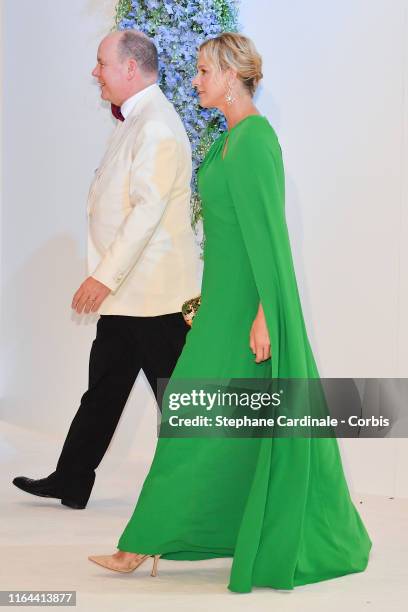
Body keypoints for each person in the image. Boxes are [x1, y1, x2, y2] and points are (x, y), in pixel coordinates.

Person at [88, 33, 372, 592]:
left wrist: (265, 314)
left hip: (248, 312)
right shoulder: (229, 141)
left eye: (201, 72)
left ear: (229, 74)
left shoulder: (256, 141)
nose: (194, 81)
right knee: (210, 425)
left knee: (193, 420)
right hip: (221, 306)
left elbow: (272, 237)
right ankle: (165, 538)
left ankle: (141, 543)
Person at [12, 30, 200, 510]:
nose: (95, 72)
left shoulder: (155, 124)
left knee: (181, 404)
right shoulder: (138, 120)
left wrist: (103, 276)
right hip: (130, 296)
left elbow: (147, 211)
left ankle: (211, 493)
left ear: (130, 68)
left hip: (154, 295)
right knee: (104, 391)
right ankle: (72, 480)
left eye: (101, 63)